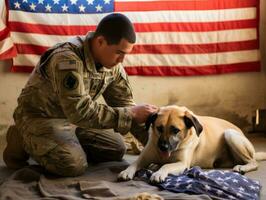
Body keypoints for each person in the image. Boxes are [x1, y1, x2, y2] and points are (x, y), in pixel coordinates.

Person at [3, 13, 158, 177]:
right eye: (119, 52)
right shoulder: (67, 59)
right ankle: (21, 134)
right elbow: (80, 111)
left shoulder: (112, 64)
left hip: (76, 120)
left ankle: (65, 142)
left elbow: (125, 105)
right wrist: (131, 113)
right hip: (41, 117)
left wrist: (156, 147)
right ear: (100, 42)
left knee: (116, 149)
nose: (122, 60)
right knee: (71, 164)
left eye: (126, 54)